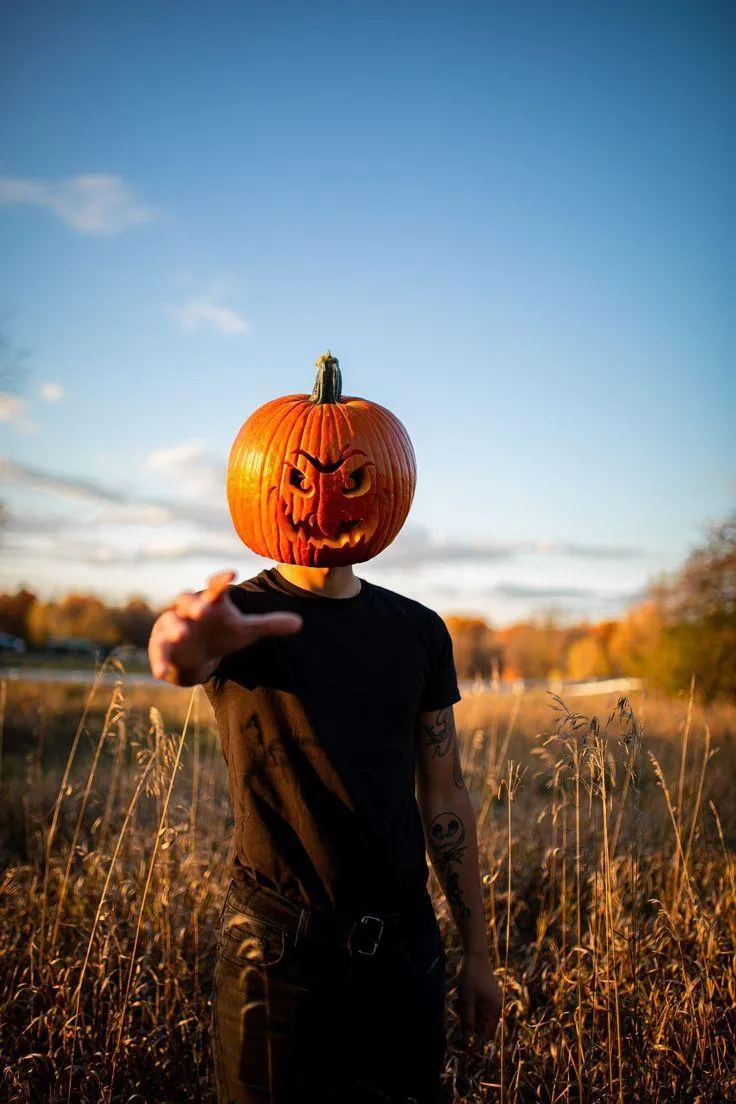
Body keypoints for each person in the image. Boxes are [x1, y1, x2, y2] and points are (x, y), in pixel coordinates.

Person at [149, 560, 502, 1103]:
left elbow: (445, 793)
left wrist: (476, 953)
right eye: (304, 468)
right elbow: (182, 657)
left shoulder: (419, 628)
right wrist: (175, 646)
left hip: (404, 950)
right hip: (275, 951)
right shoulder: (235, 616)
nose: (325, 477)